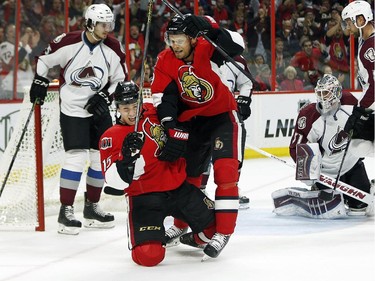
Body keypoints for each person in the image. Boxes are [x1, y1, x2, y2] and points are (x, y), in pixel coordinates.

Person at [151, 14, 247, 258]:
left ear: (192, 39)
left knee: (225, 173)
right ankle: (181, 225)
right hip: (193, 122)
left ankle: (222, 232)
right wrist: (170, 125)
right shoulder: (165, 59)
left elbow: (237, 44)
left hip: (223, 117)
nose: (175, 45)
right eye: (171, 39)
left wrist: (209, 28)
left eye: (180, 39)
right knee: (187, 176)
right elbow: (163, 98)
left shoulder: (208, 47)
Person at [29, 3, 127, 235]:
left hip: (99, 111)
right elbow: (44, 61)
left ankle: (92, 207)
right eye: (103, 25)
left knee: (98, 157)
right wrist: (40, 81)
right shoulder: (69, 42)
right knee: (75, 157)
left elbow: (120, 79)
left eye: (110, 24)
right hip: (73, 108)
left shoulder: (113, 47)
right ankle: (66, 211)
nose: (108, 29)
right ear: (90, 24)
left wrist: (105, 96)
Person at [99, 81, 216, 266]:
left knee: (217, 226)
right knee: (149, 256)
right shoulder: (110, 136)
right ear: (117, 108)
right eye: (125, 108)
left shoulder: (155, 111)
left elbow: (179, 105)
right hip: (145, 197)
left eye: (134, 106)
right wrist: (127, 159)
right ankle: (152, 235)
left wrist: (179, 134)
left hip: (177, 188)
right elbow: (113, 182)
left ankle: (191, 239)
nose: (131, 113)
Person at [288, 74, 372, 216]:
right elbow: (296, 147)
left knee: (360, 207)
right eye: (320, 93)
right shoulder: (308, 115)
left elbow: (367, 121)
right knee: (327, 211)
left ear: (337, 93)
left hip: (351, 165)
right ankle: (317, 187)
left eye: (326, 93)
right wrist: (307, 172)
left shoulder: (350, 102)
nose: (322, 97)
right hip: (325, 173)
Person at [341, 0, 374, 147]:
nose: (348, 28)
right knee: (357, 146)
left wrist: (359, 111)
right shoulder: (364, 39)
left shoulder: (371, 49)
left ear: (361, 20)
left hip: (371, 104)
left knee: (357, 145)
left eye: (349, 23)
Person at [0, 24, 34, 99]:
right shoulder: (4, 46)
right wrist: (24, 48)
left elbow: (30, 64)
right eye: (11, 31)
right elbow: (12, 64)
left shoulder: (22, 45)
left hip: (27, 87)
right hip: (13, 89)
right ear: (6, 35)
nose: (14, 33)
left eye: (16, 31)